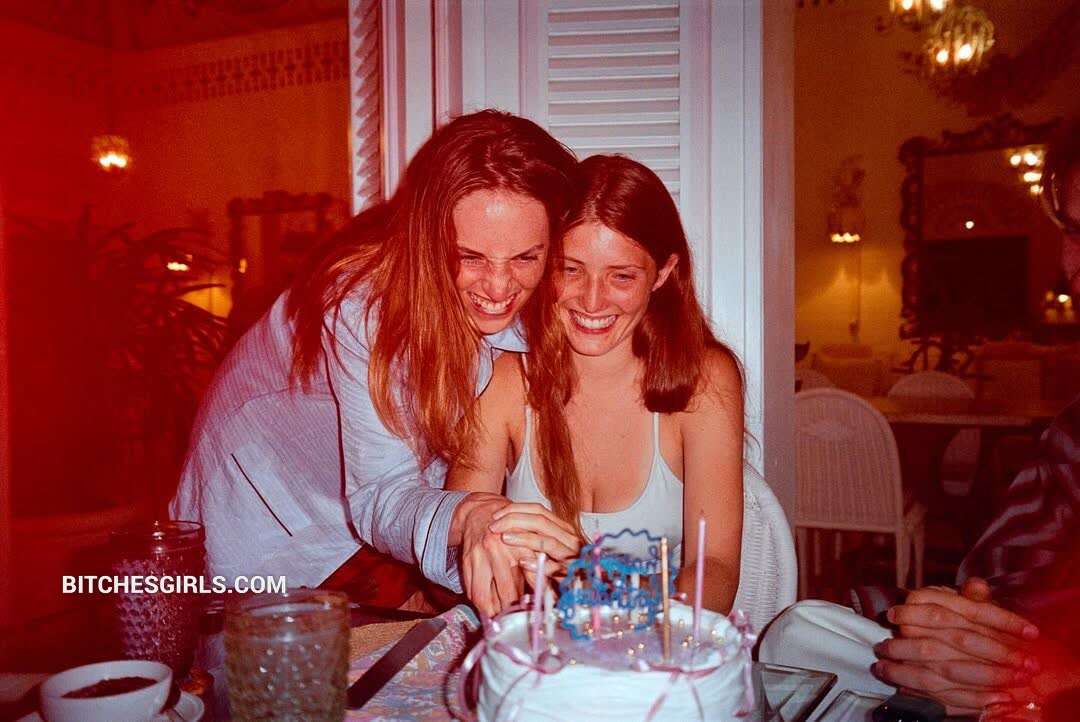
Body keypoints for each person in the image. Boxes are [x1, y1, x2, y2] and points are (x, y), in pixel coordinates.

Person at [170, 110, 579, 615]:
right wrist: (472, 516)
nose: (499, 288)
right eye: (469, 257)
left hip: (385, 509)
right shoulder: (363, 303)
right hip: (270, 522)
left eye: (524, 258)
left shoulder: (553, 289)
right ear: (428, 239)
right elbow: (383, 493)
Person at [760, 119, 1080, 720]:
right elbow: (994, 581)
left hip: (1040, 677)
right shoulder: (1070, 435)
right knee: (796, 630)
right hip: (1008, 648)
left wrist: (1056, 678)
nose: (1074, 263)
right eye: (1073, 231)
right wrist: (961, 627)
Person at [447, 155, 745, 613]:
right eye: (571, 269)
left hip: (658, 645)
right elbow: (458, 550)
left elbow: (715, 569)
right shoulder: (502, 375)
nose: (591, 300)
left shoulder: (706, 380)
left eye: (621, 276)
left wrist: (584, 574)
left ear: (663, 274)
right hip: (533, 641)